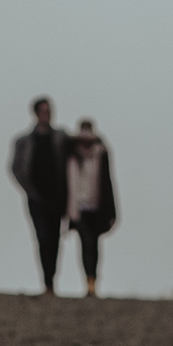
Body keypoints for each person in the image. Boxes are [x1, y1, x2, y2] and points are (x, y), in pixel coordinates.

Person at [9, 96, 71, 296]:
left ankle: (51, 282)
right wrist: (29, 190)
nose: (47, 114)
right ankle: (47, 282)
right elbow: (15, 168)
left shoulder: (61, 138)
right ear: (35, 114)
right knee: (42, 238)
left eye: (49, 110)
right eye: (43, 111)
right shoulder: (24, 141)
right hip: (36, 199)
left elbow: (77, 151)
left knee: (54, 239)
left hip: (58, 198)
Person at [66, 119, 118, 297]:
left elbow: (107, 183)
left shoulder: (100, 154)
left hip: (96, 207)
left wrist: (112, 210)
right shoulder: (72, 156)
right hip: (79, 208)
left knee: (93, 246)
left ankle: (92, 281)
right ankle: (88, 281)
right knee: (86, 243)